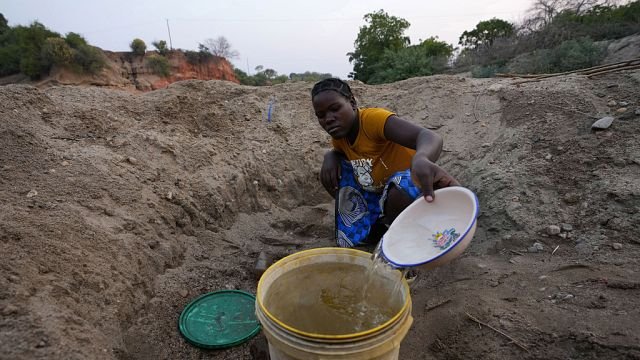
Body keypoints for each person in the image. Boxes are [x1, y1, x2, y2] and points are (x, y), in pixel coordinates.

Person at [311, 78, 459, 247]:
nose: (328, 119)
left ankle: (408, 234)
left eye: (335, 109)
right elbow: (339, 154)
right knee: (329, 174)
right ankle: (377, 228)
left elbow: (430, 136)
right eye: (321, 115)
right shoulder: (340, 137)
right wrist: (330, 156)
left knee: (397, 192)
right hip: (379, 193)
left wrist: (421, 158)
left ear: (352, 102)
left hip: (412, 189)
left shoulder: (373, 120)